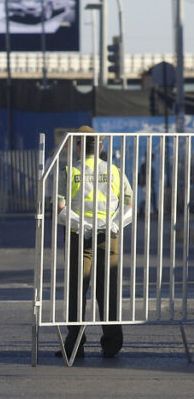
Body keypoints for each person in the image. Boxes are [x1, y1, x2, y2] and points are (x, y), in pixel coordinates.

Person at [56, 125, 133, 359]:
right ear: (100, 146)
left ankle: (74, 344)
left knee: (78, 289)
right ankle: (112, 343)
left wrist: (82, 225)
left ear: (78, 147)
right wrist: (115, 224)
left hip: (79, 236)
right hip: (109, 237)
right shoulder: (116, 171)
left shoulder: (69, 171)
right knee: (108, 290)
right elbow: (128, 204)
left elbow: (60, 208)